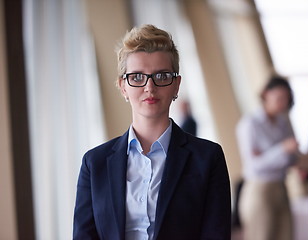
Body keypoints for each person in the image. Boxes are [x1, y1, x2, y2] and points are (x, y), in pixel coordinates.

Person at [73, 24, 231, 240]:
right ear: (123, 86)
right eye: (137, 77)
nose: (150, 87)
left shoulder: (207, 158)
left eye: (162, 76)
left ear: (176, 85)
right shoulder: (94, 163)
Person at [236, 76, 298, 240]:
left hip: (281, 186)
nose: (283, 103)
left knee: (286, 235)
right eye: (279, 98)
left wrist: (283, 154)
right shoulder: (250, 124)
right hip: (259, 190)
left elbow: (291, 158)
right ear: (265, 95)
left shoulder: (283, 123)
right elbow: (255, 164)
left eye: (286, 99)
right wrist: (282, 149)